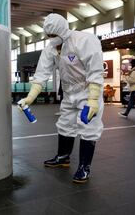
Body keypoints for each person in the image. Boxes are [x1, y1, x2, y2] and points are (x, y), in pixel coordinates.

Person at [18, 13, 104, 184]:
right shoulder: (50, 48)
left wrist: (93, 99)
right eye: (48, 35)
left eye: (53, 35)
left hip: (88, 91)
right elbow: (41, 74)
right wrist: (30, 97)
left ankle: (84, 167)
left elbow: (95, 70)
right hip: (68, 92)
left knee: (88, 127)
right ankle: (63, 157)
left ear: (62, 30)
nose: (51, 38)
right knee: (65, 124)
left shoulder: (85, 40)